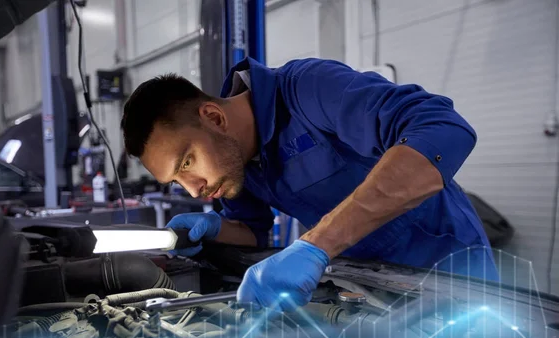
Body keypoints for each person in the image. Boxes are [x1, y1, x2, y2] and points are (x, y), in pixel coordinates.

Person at [120, 58, 499, 312]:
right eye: (176, 180)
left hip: (454, 276)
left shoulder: (309, 90)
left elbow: (443, 130)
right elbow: (253, 231)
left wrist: (316, 246)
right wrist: (216, 228)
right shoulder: (234, 165)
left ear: (214, 117)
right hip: (364, 288)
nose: (192, 188)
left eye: (187, 163)